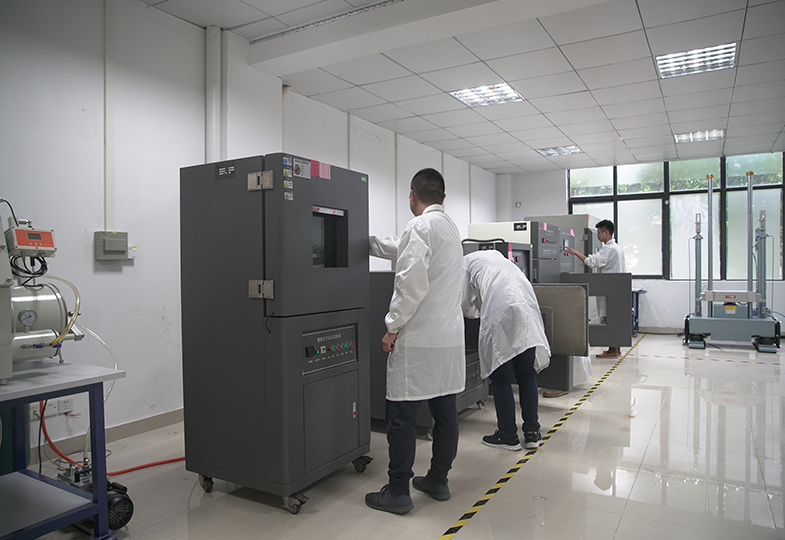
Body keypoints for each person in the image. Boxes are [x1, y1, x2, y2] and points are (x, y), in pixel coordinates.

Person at [365, 168, 465, 515]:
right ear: (443, 198)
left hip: (420, 340)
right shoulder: (449, 229)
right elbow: (405, 247)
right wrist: (369, 242)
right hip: (448, 341)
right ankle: (438, 480)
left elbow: (410, 284)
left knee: (402, 418)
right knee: (445, 415)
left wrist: (392, 326)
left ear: (411, 195)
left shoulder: (419, 226)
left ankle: (398, 491)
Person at [462, 250, 551, 451]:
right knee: (526, 375)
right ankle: (532, 433)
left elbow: (463, 302)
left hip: (501, 315)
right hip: (526, 313)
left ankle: (508, 435)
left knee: (500, 379)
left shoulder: (464, 263)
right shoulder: (500, 261)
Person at [564, 219, 627, 358]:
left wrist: (575, 253)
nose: (597, 236)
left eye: (599, 233)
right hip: (616, 288)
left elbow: (591, 262)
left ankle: (613, 350)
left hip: (609, 288)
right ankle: (615, 348)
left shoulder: (609, 249)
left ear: (606, 232)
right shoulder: (618, 248)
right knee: (614, 317)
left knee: (609, 317)